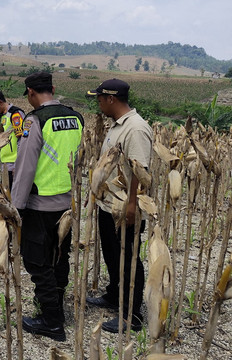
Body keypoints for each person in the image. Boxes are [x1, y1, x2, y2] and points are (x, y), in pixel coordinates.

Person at [11, 72, 84, 342]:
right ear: (53, 89)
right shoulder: (76, 118)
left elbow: (26, 166)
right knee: (59, 257)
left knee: (37, 261)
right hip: (67, 203)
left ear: (31, 93)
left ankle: (52, 321)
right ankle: (57, 308)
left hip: (40, 205)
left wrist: (15, 208)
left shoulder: (35, 120)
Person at [85, 78, 152, 333]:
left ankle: (131, 316)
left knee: (128, 259)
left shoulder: (135, 128)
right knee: (113, 256)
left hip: (124, 207)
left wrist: (132, 205)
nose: (98, 103)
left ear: (111, 99)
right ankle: (114, 295)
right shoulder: (117, 125)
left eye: (100, 98)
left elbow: (139, 169)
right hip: (109, 205)